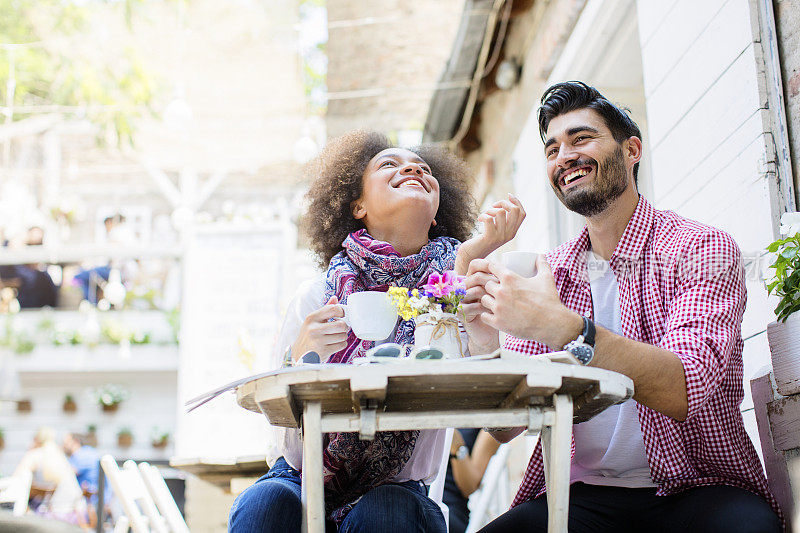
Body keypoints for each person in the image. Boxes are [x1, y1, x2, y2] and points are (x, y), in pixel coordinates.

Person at [464, 81, 782, 532]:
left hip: (699, 487)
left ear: (631, 150)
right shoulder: (550, 273)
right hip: (584, 497)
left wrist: (570, 331)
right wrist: (483, 338)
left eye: (581, 138)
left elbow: (685, 387)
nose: (564, 157)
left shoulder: (700, 247)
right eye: (552, 149)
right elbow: (506, 428)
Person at [228, 130, 525, 533]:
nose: (413, 168)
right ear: (358, 205)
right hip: (301, 478)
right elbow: (275, 417)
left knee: (383, 511)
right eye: (389, 164)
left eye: (423, 169)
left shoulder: (453, 291)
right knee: (269, 502)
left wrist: (476, 280)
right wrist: (299, 358)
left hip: (400, 492)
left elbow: (505, 426)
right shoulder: (318, 295)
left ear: (436, 213)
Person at [13, 428, 87, 526]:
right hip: (76, 515)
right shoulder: (59, 455)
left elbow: (15, 480)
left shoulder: (35, 455)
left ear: (36, 440)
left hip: (52, 516)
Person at [442, 429, 501, 533]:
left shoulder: (488, 425)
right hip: (415, 495)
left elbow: (469, 487)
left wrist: (458, 447)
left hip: (450, 507)